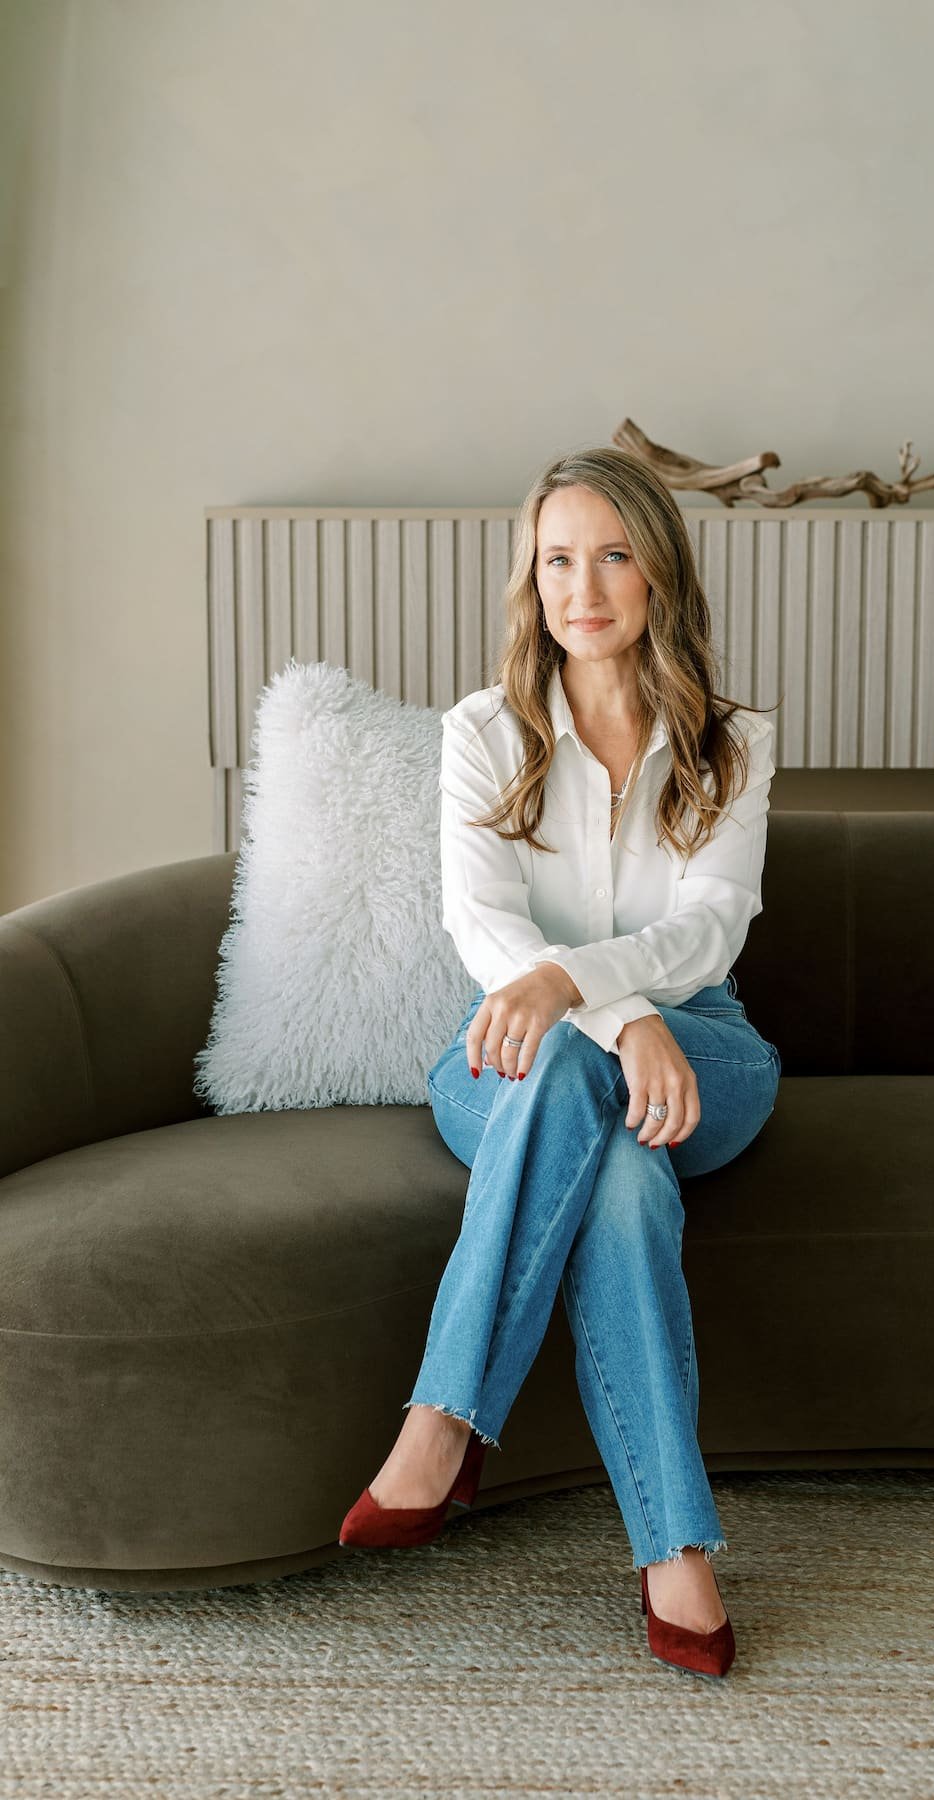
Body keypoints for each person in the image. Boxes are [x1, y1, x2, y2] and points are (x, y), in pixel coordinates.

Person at [339, 446, 782, 1678]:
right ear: (530, 582)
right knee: (622, 1177)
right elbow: (483, 930)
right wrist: (608, 1021)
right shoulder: (483, 733)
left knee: (601, 1100)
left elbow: (712, 927)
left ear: (659, 572)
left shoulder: (734, 742)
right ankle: (675, 1549)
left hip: (706, 1052)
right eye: (556, 560)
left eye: (613, 555)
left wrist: (607, 998)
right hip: (509, 1056)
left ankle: (444, 1419)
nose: (582, 588)